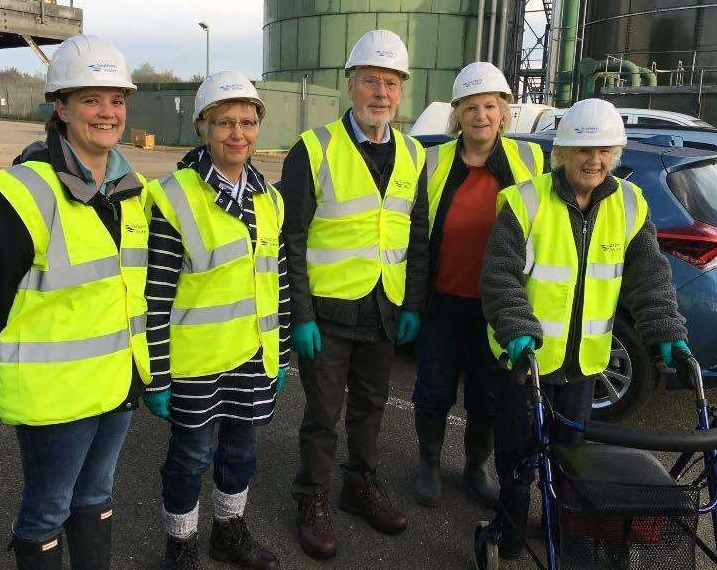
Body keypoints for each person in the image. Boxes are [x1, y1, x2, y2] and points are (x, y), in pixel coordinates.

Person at [0, 35, 150, 570]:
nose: (107, 112)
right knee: (47, 512)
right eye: (90, 99)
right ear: (60, 108)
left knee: (96, 498)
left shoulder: (130, 188)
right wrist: (18, 351)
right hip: (56, 396)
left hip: (115, 383)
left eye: (116, 99)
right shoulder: (24, 190)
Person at [479, 98, 690, 561]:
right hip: (525, 359)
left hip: (583, 364)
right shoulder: (525, 201)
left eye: (603, 151)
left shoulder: (630, 205)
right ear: (562, 152)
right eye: (582, 150)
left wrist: (665, 330)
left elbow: (649, 276)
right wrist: (516, 325)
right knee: (518, 455)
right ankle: (509, 524)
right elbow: (499, 275)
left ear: (614, 155)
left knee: (572, 457)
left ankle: (563, 527)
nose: (593, 160)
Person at [280, 29, 428, 560]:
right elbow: (290, 237)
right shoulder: (313, 149)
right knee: (323, 413)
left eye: (390, 83)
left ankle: (358, 485)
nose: (380, 93)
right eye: (370, 80)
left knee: (371, 407)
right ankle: (312, 497)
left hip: (385, 311)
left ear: (401, 91)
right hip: (327, 312)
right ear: (350, 85)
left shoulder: (413, 155)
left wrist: (412, 304)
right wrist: (300, 314)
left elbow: (418, 237)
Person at [142, 71, 289, 570]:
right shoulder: (174, 197)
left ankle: (229, 531)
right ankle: (180, 545)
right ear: (204, 127)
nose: (238, 133)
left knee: (241, 454)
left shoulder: (269, 199)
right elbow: (155, 294)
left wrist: (282, 351)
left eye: (247, 122)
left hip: (253, 354)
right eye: (225, 122)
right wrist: (157, 374)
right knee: (189, 459)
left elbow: (278, 281)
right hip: (194, 362)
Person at [412, 62, 545, 508]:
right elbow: (415, 235)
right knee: (433, 389)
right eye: (471, 107)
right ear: (457, 114)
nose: (481, 115)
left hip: (500, 307)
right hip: (443, 301)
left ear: (504, 112)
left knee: (487, 396)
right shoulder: (432, 161)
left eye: (490, 106)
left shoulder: (531, 160)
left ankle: (474, 467)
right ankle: (428, 463)